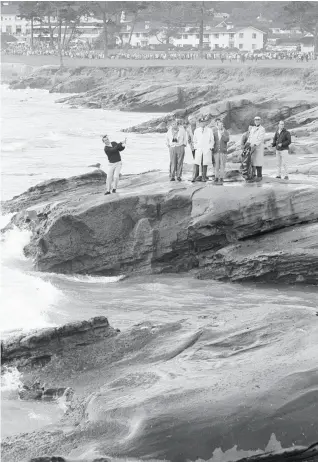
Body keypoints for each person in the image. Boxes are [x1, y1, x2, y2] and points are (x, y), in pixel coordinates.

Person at [192, 116, 214, 182]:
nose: (203, 124)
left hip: (206, 149)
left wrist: (210, 147)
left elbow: (212, 140)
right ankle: (195, 176)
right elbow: (194, 140)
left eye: (204, 122)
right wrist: (196, 147)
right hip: (199, 149)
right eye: (201, 122)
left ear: (206, 123)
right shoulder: (196, 130)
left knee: (205, 164)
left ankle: (204, 177)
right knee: (197, 163)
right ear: (199, 123)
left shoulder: (209, 130)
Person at [246, 115, 266, 182]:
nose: (257, 121)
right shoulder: (252, 128)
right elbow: (250, 137)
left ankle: (259, 176)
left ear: (260, 121)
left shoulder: (262, 129)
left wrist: (255, 144)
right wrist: (247, 143)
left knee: (258, 162)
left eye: (258, 120)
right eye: (255, 120)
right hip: (252, 148)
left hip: (258, 148)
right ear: (254, 121)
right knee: (252, 162)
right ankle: (253, 176)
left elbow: (260, 139)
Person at [212, 119, 230, 185]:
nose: (221, 126)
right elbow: (212, 141)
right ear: (217, 125)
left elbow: (227, 140)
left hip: (223, 151)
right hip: (216, 151)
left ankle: (221, 178)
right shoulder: (214, 132)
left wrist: (223, 135)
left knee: (222, 165)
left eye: (222, 125)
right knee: (216, 165)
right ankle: (216, 177)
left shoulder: (226, 132)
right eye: (219, 125)